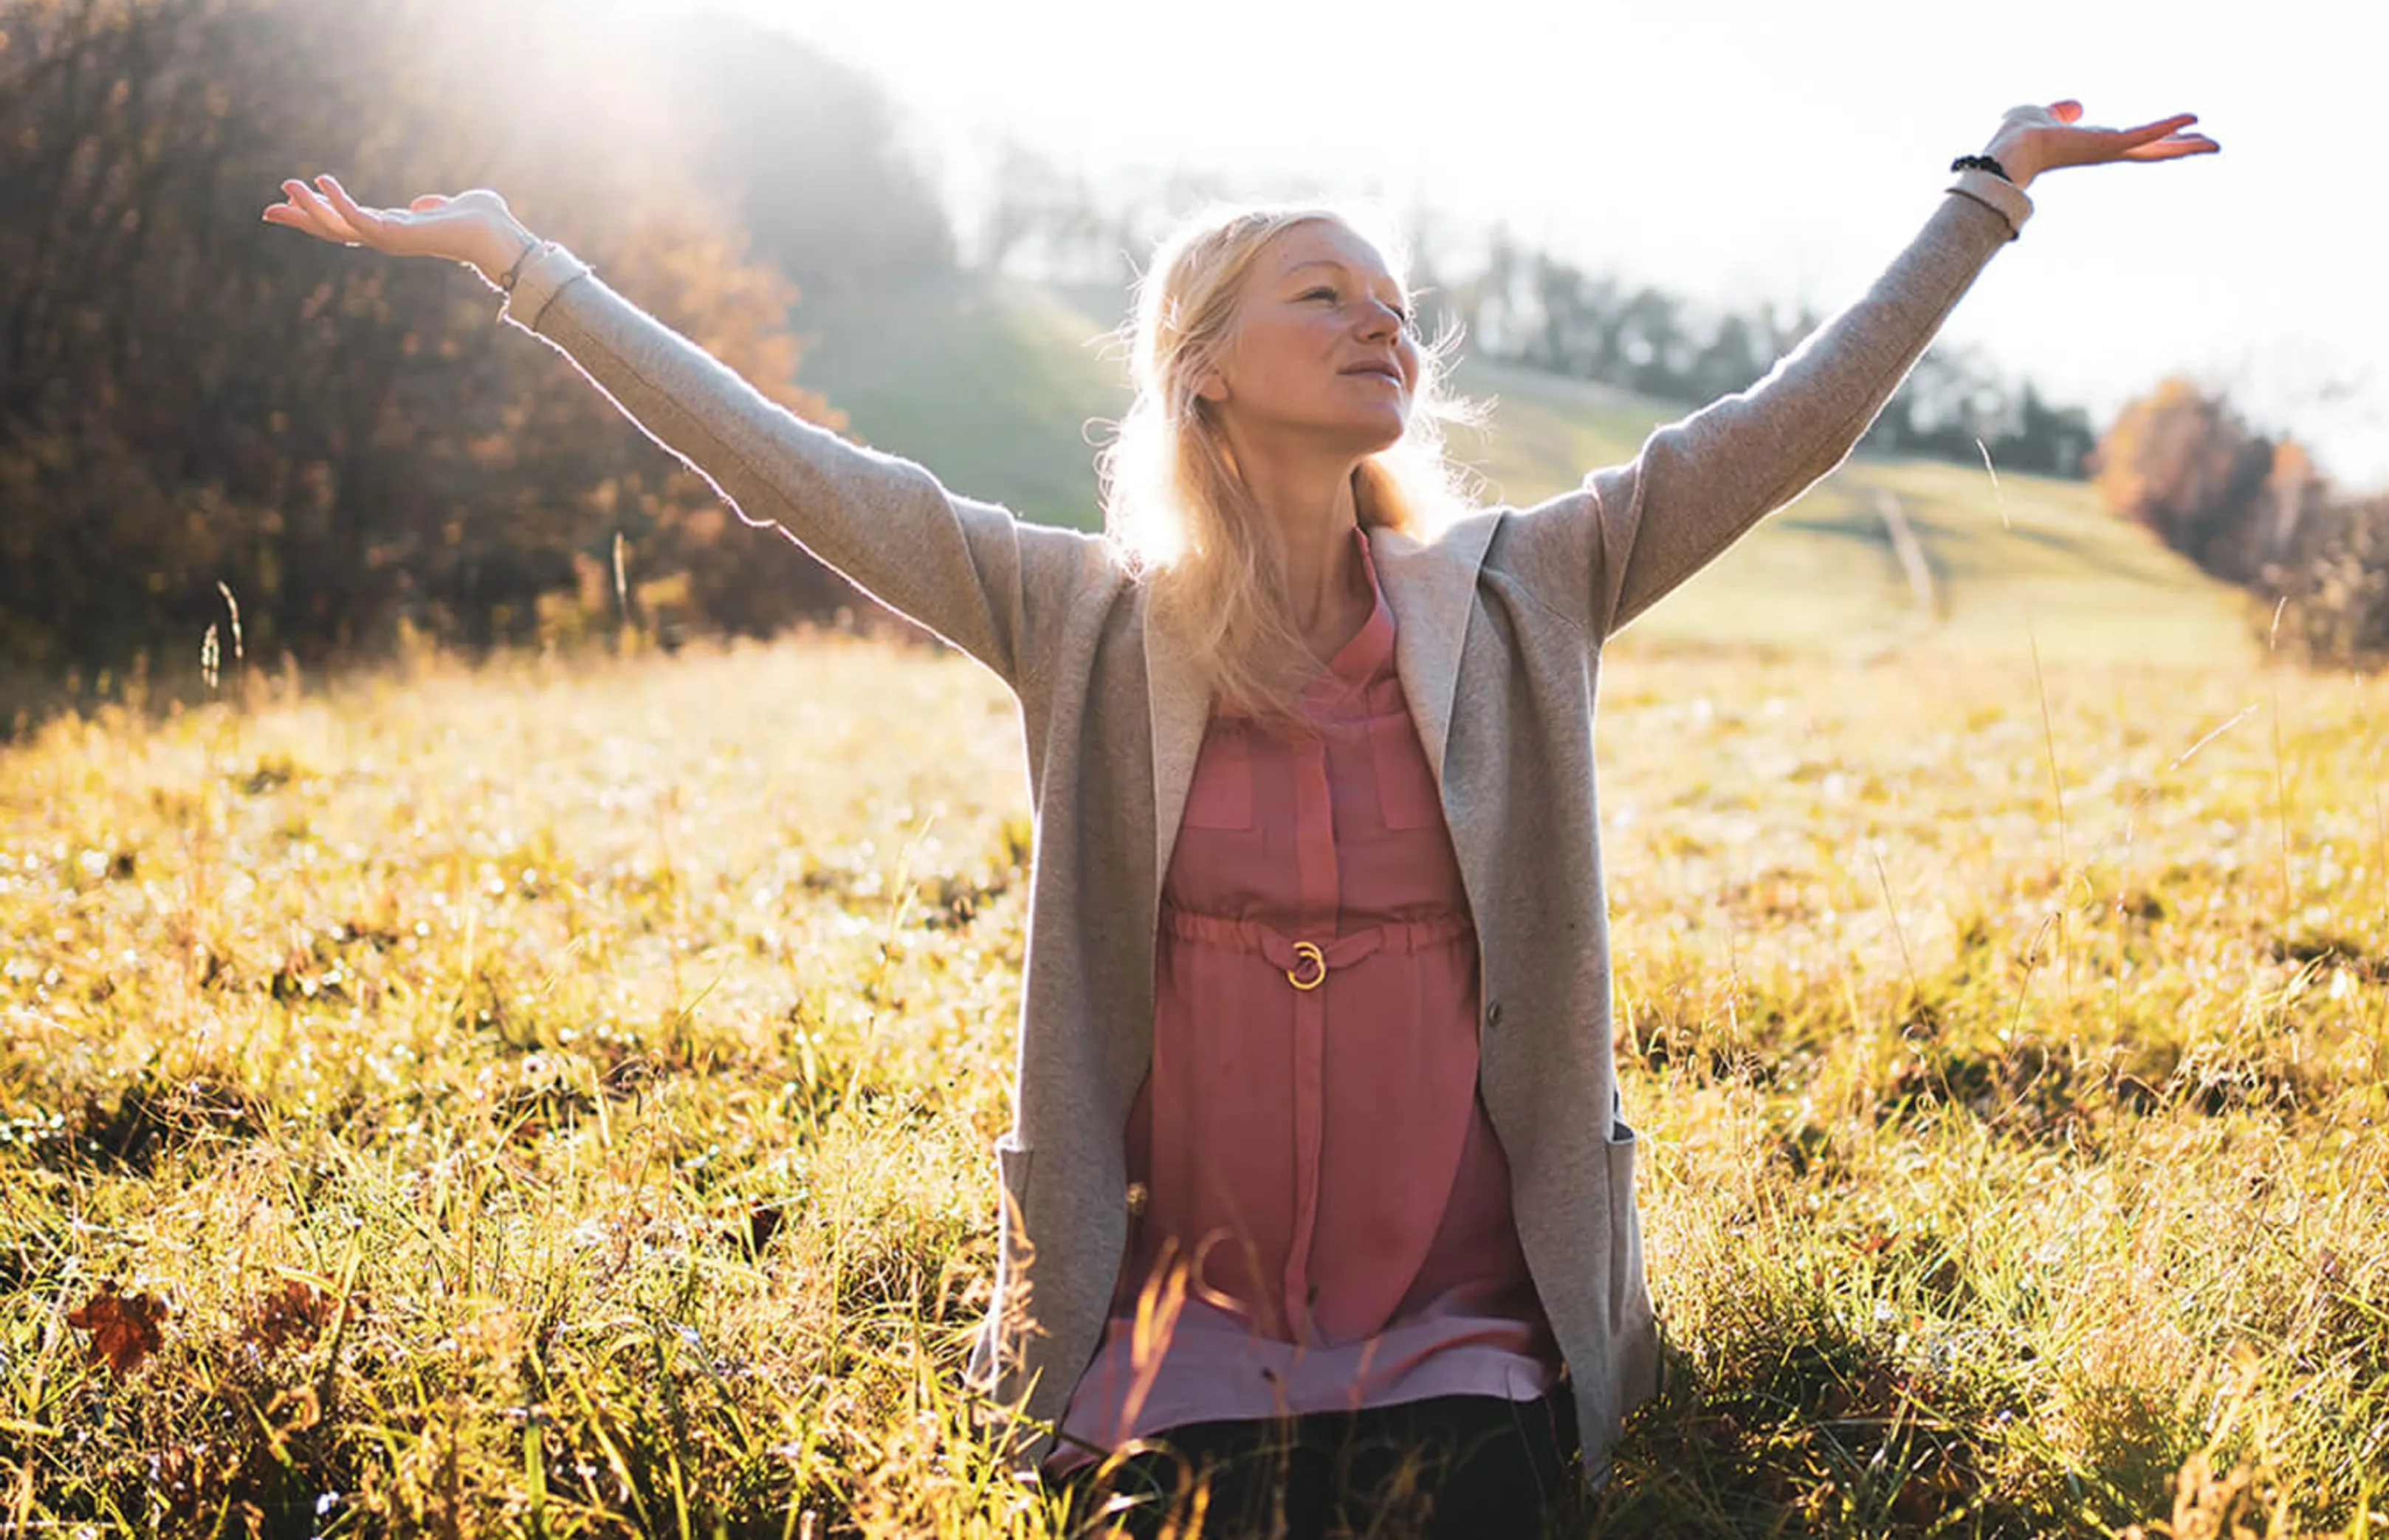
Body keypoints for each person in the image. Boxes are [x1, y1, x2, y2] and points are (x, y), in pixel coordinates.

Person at [263, 100, 2215, 1536]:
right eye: (1325, 296)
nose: (1387, 326)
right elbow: (793, 474)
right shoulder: (1080, 620)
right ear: (1203, 376)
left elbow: (1782, 431)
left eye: (1396, 303)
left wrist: (1988, 197)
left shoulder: (1528, 593)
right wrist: (526, 265)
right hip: (1174, 1340)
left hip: (1464, 1327)